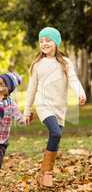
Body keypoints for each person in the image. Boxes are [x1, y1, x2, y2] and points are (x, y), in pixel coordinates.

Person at [24, 27, 86, 187]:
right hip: (43, 105)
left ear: (56, 43)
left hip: (60, 108)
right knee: (56, 132)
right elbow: (31, 89)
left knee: (55, 138)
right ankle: (47, 173)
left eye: (48, 40)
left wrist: (80, 92)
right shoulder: (37, 64)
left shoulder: (65, 63)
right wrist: (27, 110)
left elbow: (73, 80)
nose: (44, 43)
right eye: (41, 41)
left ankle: (44, 172)